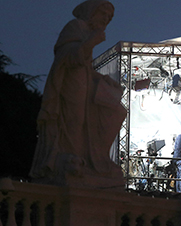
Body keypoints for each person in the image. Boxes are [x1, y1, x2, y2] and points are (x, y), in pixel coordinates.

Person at [29, 0, 126, 187]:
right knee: (74, 122)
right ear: (91, 12)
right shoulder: (76, 26)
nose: (106, 19)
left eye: (109, 17)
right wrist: (92, 41)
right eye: (103, 14)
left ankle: (96, 159)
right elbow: (68, 57)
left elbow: (84, 65)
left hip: (84, 82)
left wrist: (101, 79)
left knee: (117, 111)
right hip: (70, 84)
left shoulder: (87, 31)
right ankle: (74, 161)